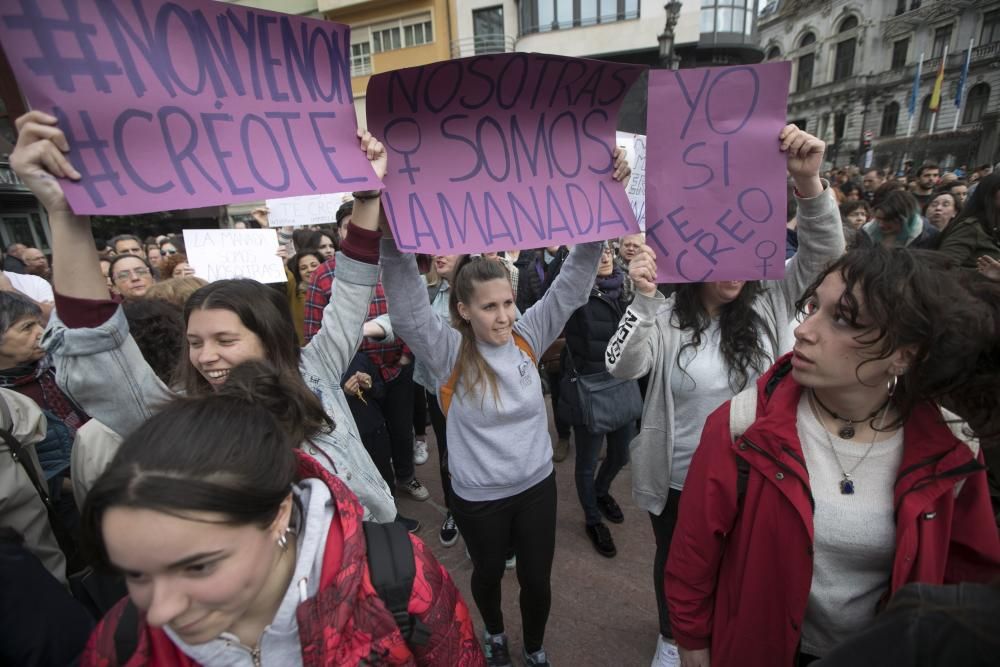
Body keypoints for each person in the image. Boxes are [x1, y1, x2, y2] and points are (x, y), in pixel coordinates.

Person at [11, 110, 397, 525]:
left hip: (373, 551)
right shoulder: (178, 415)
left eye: (225, 340)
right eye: (195, 342)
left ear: (270, 340)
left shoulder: (314, 368)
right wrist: (66, 217)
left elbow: (353, 289)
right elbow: (96, 351)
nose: (205, 356)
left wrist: (368, 197)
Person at [665, 247, 1000, 667]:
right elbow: (693, 554)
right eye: (811, 306)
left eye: (842, 318)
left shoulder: (953, 449)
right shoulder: (743, 426)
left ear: (903, 353)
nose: (804, 330)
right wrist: (692, 644)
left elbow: (967, 580)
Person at [380, 147, 631, 667]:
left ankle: (534, 648)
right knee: (489, 575)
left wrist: (607, 204)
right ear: (464, 309)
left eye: (508, 303)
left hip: (536, 487)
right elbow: (405, 308)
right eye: (489, 307)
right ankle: (494, 636)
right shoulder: (448, 353)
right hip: (478, 498)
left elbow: (573, 283)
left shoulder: (527, 335)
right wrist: (389, 226)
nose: (502, 316)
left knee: (537, 579)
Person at [605, 125, 844, 667]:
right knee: (679, 566)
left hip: (761, 474)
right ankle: (672, 638)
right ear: (692, 256)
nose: (735, 267)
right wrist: (642, 302)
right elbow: (620, 366)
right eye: (720, 251)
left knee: (745, 567)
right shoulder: (665, 317)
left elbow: (826, 251)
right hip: (680, 476)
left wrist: (808, 183)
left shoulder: (772, 300)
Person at [78, 364, 485, 666]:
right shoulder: (121, 644)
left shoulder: (395, 574)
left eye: (198, 567)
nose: (160, 612)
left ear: (278, 515)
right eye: (136, 574)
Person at [563, 243, 636, 558]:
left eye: (609, 248)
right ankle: (593, 519)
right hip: (590, 389)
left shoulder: (627, 287)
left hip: (621, 384)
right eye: (598, 249)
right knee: (587, 462)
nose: (605, 253)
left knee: (621, 454)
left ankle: (601, 491)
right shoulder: (577, 291)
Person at [935, 173, 1000, 269]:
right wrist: (981, 275)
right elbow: (942, 267)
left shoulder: (995, 226)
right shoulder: (971, 228)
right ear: (990, 193)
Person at [859, 191, 938, 250]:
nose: (881, 224)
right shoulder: (867, 232)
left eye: (888, 220)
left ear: (905, 218)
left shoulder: (927, 235)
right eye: (878, 219)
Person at [285, 249, 325, 345]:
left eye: (314, 265)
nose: (309, 270)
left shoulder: (335, 291)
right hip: (305, 351)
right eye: (303, 268)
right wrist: (283, 264)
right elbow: (288, 277)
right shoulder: (295, 293)